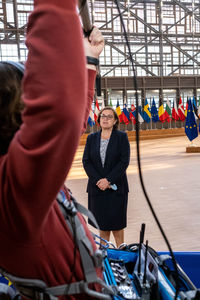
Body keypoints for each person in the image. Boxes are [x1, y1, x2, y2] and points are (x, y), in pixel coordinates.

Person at [0, 0, 105, 299]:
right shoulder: (13, 189)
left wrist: (88, 61)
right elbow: (60, 115)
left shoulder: (18, 174)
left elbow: (71, 126)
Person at [82, 107, 130, 248]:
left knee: (117, 226)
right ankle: (105, 258)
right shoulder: (91, 138)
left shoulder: (122, 137)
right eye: (103, 116)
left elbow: (124, 161)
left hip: (116, 188)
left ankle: (121, 255)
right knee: (102, 226)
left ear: (115, 121)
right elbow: (86, 161)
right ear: (99, 119)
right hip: (97, 189)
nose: (105, 119)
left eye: (109, 117)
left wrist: (108, 180)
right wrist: (99, 181)